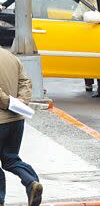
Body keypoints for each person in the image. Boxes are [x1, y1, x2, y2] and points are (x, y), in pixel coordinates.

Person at [0, 48, 43, 206]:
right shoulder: (11, 57)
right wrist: (20, 103)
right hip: (17, 120)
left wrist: (8, 103)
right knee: (11, 159)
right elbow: (25, 82)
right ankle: (31, 182)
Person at [65, 0, 98, 93]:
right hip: (82, 24)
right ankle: (88, 83)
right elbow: (68, 2)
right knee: (87, 55)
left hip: (98, 24)